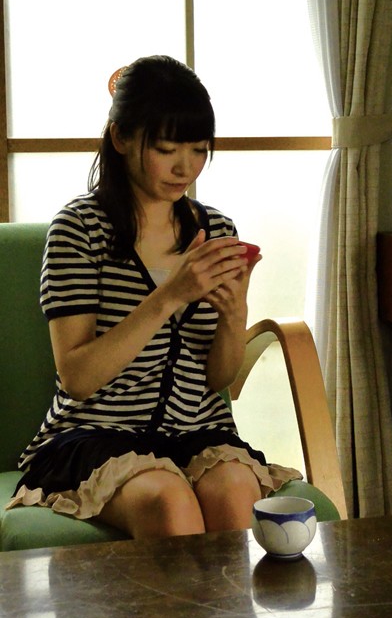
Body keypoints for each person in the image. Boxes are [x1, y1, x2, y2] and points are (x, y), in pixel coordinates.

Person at [8, 55, 302, 539]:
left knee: (235, 490)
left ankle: (225, 597)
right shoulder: (79, 229)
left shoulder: (216, 230)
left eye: (199, 149)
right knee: (168, 499)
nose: (185, 167)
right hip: (95, 435)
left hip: (196, 432)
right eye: (166, 149)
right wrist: (169, 296)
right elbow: (77, 377)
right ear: (121, 138)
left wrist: (234, 314)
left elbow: (219, 379)